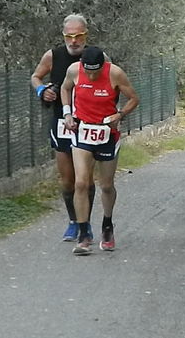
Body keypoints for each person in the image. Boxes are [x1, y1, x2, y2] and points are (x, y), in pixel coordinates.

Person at [60, 46, 139, 255]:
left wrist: (119, 115)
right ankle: (84, 234)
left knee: (106, 185)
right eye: (89, 71)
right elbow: (65, 88)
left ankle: (107, 225)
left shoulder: (115, 73)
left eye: (96, 71)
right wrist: (67, 113)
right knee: (80, 182)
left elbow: (134, 99)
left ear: (103, 66)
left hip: (107, 134)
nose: (92, 75)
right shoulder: (74, 70)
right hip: (82, 130)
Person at [31, 14, 97, 242]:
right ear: (64, 36)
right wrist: (42, 90)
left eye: (78, 36)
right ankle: (73, 221)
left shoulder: (96, 56)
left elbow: (112, 81)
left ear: (86, 35)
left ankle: (85, 224)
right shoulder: (53, 56)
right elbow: (36, 77)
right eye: (69, 36)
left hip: (88, 123)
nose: (74, 41)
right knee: (68, 179)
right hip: (61, 122)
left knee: (86, 179)